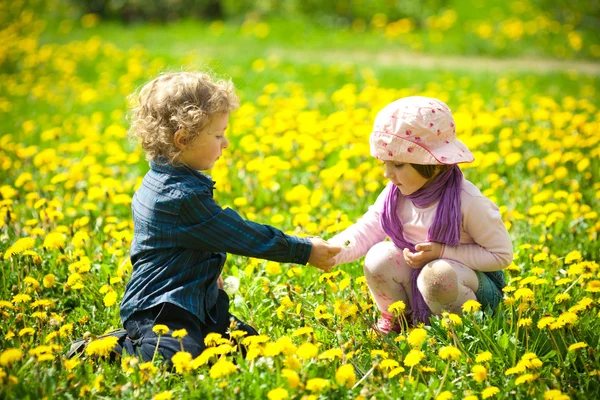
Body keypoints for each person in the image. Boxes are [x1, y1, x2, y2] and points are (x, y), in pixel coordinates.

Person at [68, 71, 341, 362]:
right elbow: (239, 235)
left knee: (253, 349)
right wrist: (304, 250)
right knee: (177, 358)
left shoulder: (165, 180)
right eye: (218, 135)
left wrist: (206, 272)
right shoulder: (179, 198)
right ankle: (99, 349)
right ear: (183, 139)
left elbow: (187, 241)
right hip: (162, 308)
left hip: (199, 303)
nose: (226, 143)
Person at [327, 96, 512, 334]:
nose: (387, 174)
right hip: (422, 281)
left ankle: (462, 332)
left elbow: (501, 255)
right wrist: (332, 250)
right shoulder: (395, 194)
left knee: (439, 275)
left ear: (435, 163)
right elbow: (367, 230)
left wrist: (443, 252)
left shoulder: (469, 202)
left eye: (398, 165)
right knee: (378, 257)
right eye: (385, 163)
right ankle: (400, 319)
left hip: (474, 289)